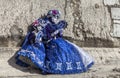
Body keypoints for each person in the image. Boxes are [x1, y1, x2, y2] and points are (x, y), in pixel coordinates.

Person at [16, 10, 94, 74]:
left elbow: (60, 35)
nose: (55, 18)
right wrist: (51, 33)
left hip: (59, 41)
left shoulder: (58, 25)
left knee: (70, 50)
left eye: (57, 17)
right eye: (54, 16)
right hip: (50, 43)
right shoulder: (45, 24)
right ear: (49, 16)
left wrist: (59, 30)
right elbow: (44, 36)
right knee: (56, 52)